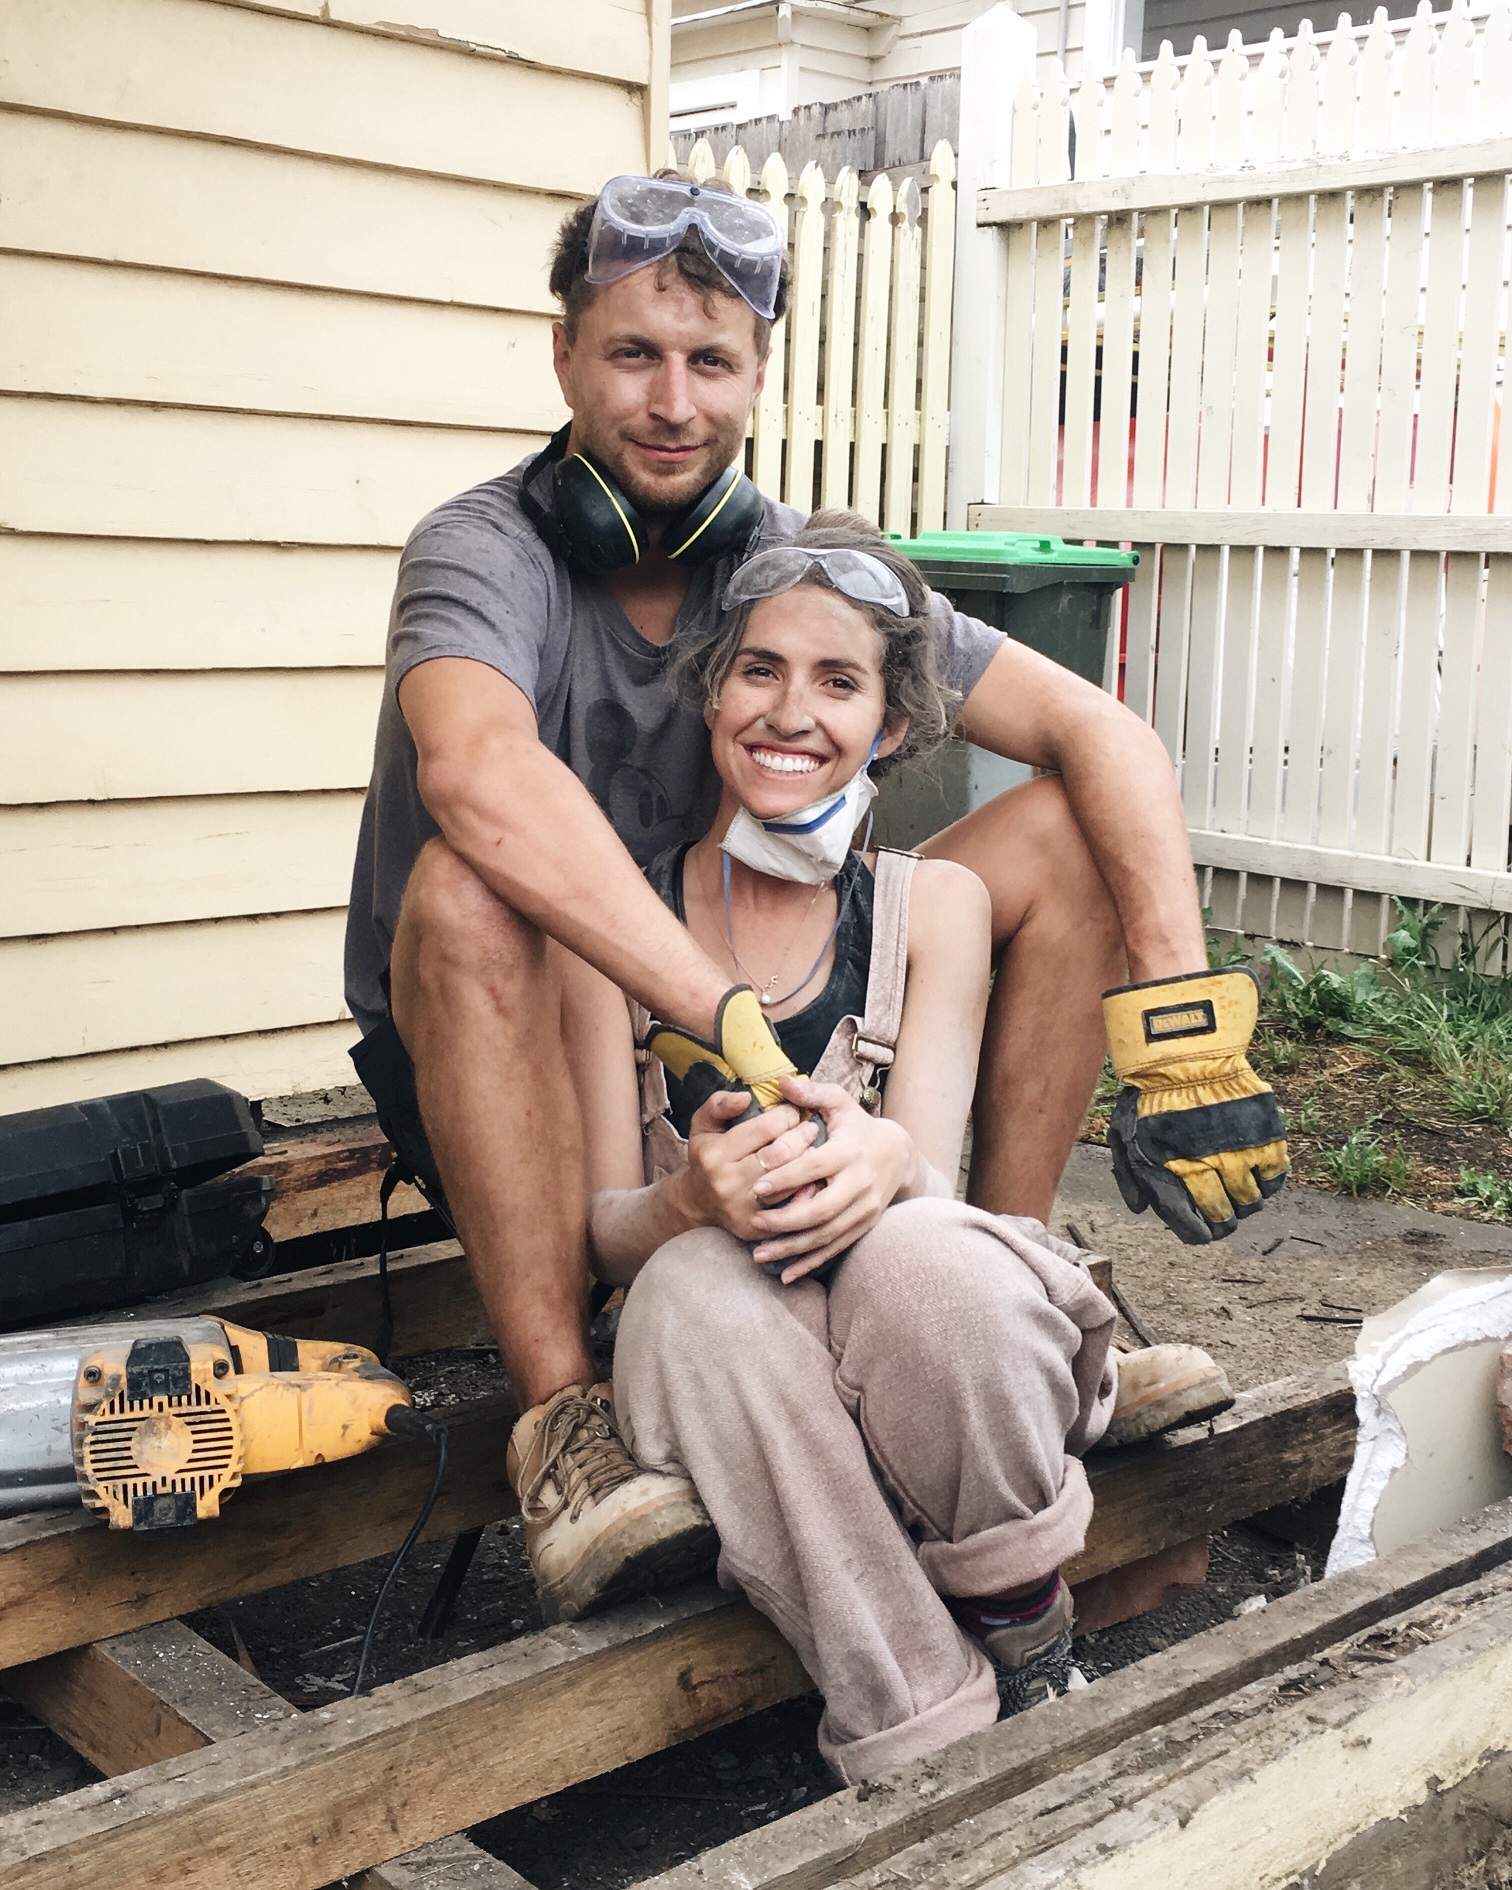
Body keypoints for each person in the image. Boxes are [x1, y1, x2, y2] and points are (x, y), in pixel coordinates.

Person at [343, 171, 1287, 1626]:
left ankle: (1020, 1274)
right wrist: (706, 1004)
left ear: (758, 375)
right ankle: (564, 1422)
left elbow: (1104, 734)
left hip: (768, 1006)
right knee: (471, 888)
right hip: (521, 1045)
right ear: (564, 358)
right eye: (632, 354)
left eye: (710, 362)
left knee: (1080, 830)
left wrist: (1182, 1017)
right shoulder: (486, 548)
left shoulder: (785, 564)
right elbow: (473, 771)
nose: (671, 401)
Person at [564, 511, 1130, 1779]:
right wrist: (683, 1205)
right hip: (709, 1337)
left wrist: (890, 1163)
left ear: (894, 726)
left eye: (839, 682)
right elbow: (600, 1236)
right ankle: (916, 1731)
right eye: (760, 669)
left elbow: (928, 1179)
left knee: (938, 1254)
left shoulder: (937, 911)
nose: (790, 712)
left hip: (883, 1301)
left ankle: (1026, 1631)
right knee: (707, 1297)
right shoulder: (608, 917)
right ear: (712, 694)